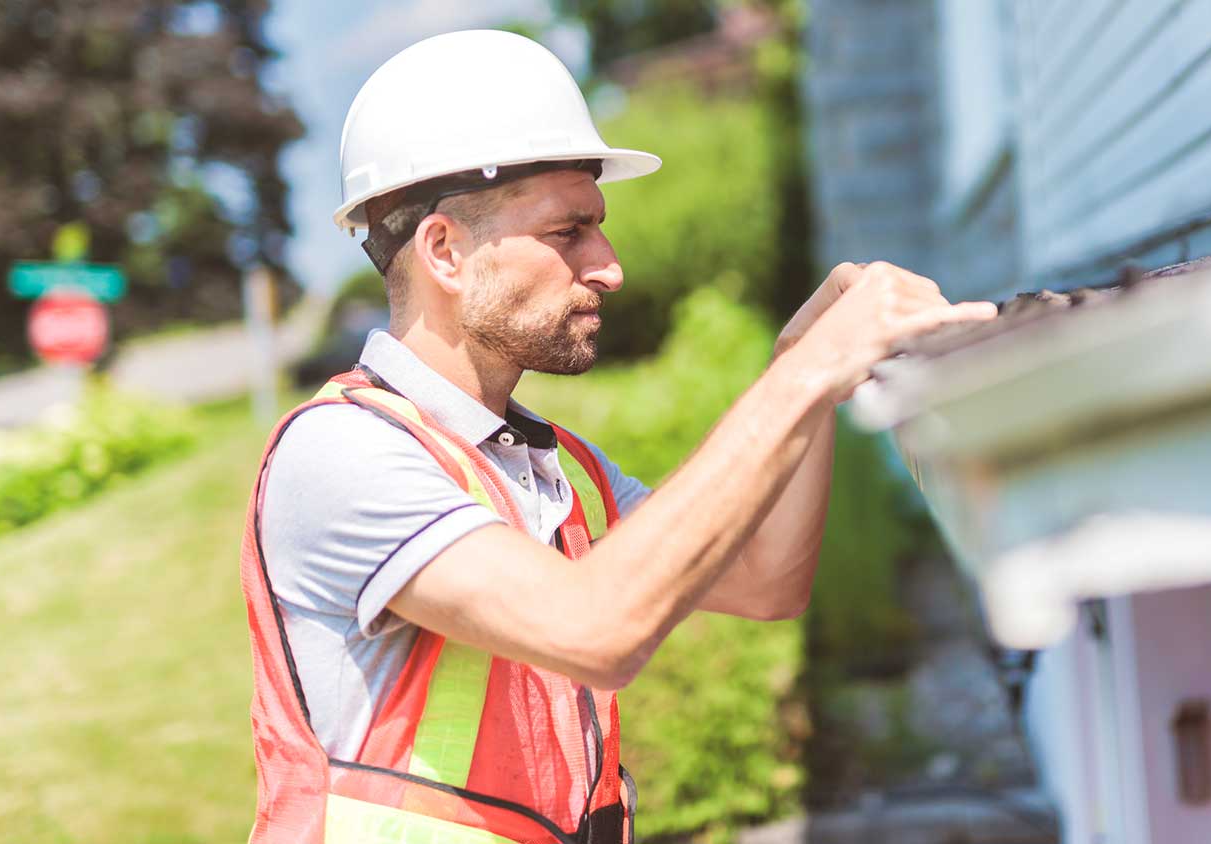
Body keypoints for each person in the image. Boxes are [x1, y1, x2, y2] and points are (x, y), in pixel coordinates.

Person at [238, 29, 996, 844]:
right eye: (569, 232)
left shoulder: (555, 474)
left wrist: (801, 365)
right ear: (446, 251)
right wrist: (803, 379)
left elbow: (767, 583)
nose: (609, 266)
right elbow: (595, 629)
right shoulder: (345, 454)